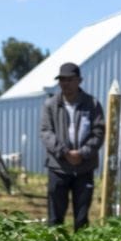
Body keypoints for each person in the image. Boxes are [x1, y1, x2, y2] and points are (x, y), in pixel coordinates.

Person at [40, 62, 104, 231]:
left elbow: (99, 132)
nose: (65, 84)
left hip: (84, 168)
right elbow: (46, 132)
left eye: (69, 80)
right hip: (58, 167)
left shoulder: (92, 104)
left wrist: (82, 153)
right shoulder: (50, 104)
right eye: (62, 80)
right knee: (55, 217)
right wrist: (65, 152)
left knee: (82, 217)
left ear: (79, 80)